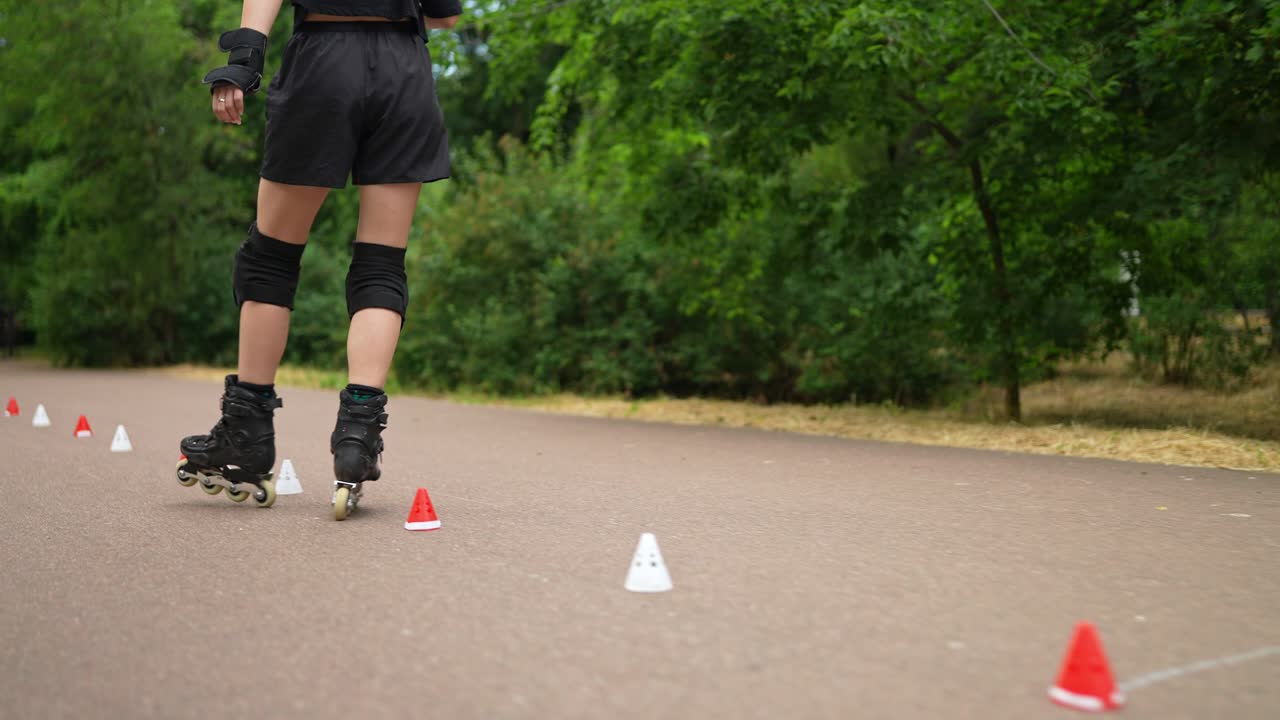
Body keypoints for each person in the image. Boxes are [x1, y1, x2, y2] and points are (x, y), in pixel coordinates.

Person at [175, 0, 461, 520]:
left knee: (271, 260)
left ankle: (246, 433)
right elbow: (446, 14)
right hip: (405, 67)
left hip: (323, 62)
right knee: (381, 262)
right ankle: (358, 435)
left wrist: (243, 60)